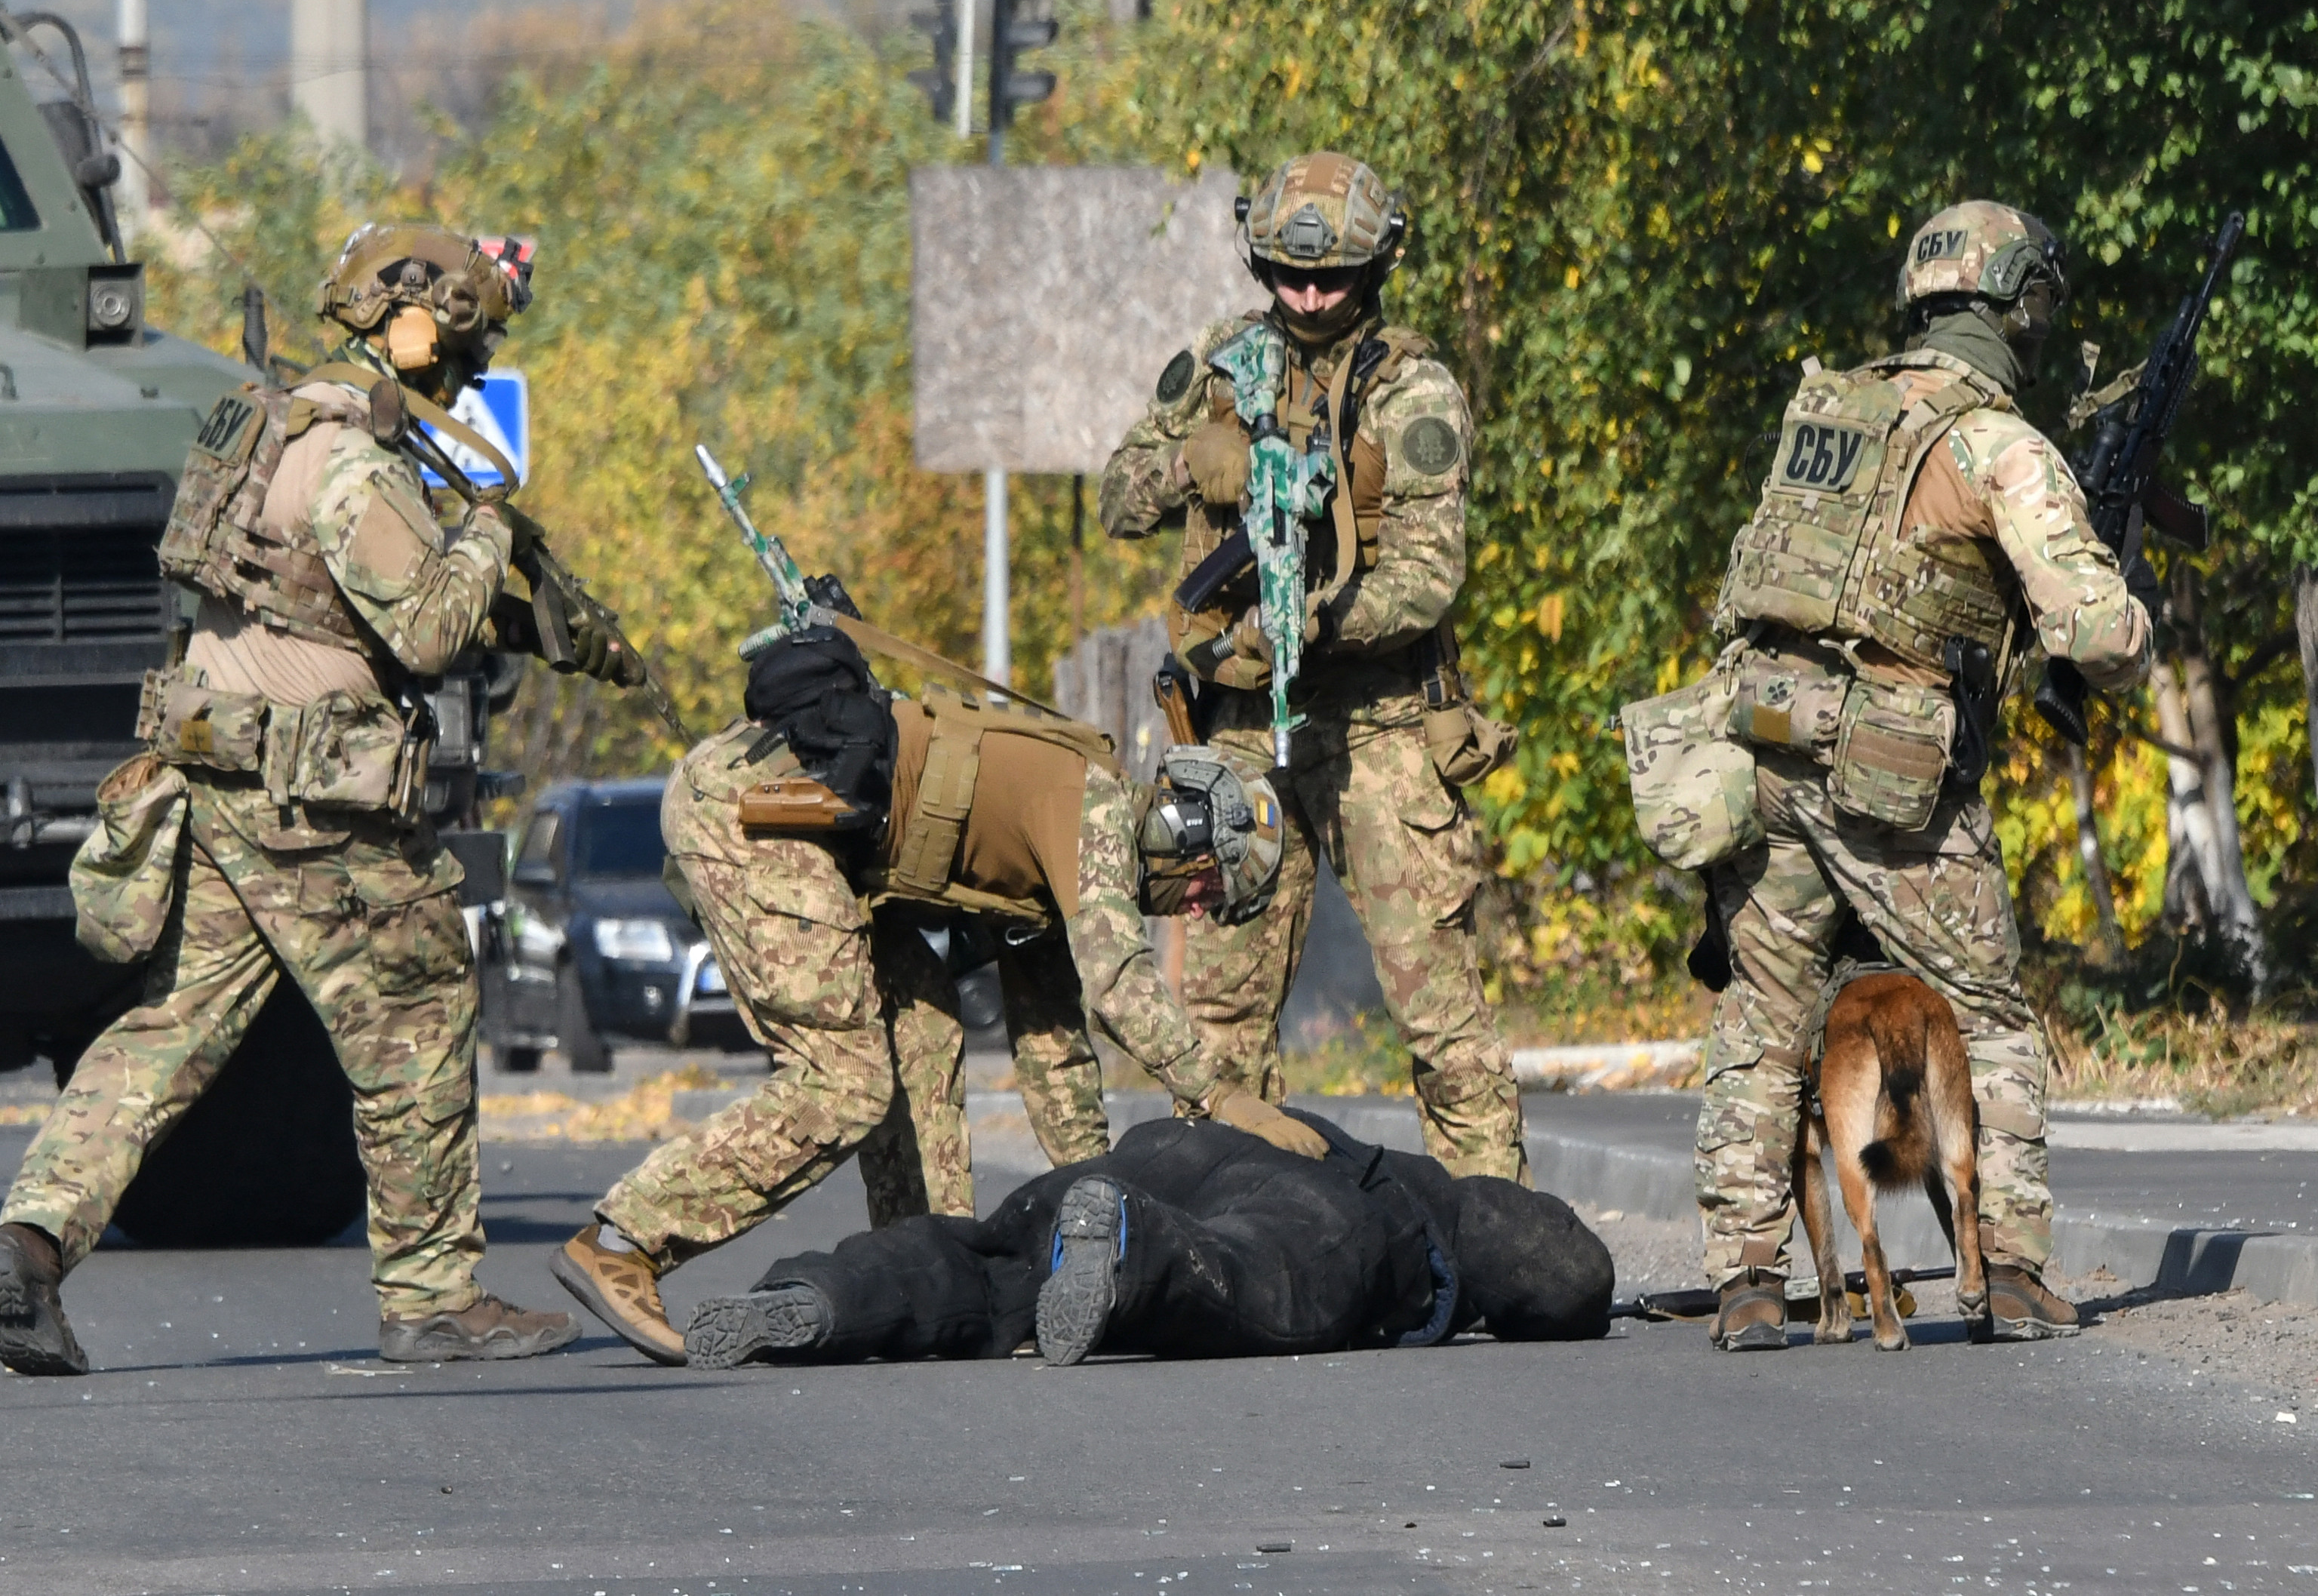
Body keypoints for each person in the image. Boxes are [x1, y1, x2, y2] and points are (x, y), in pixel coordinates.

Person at [0, 225, 619, 1375]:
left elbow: (325, 603)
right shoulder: (361, 462)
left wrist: (533, 623)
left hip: (217, 779)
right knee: (418, 1016)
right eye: (464, 350)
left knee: (172, 1025)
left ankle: (31, 1239)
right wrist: (485, 526)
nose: (467, 375)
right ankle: (432, 1300)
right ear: (414, 333)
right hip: (315, 804)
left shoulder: (269, 427)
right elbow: (425, 633)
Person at [547, 627, 1331, 1364]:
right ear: (1184, 831)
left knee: (925, 1027)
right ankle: (626, 1241)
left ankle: (924, 1277)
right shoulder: (1091, 809)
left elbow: (1056, 1056)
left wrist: (1105, 1226)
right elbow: (1117, 985)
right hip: (749, 812)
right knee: (845, 1082)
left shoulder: (1060, 865)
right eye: (1208, 889)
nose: (1194, 911)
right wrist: (1220, 1093)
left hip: (803, 836)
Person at [1686, 201, 2154, 1350]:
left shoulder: (1831, 413)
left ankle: (1747, 1282)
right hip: (1889, 777)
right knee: (1987, 1014)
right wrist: (2135, 623)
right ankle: (2010, 1269)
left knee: (1761, 1016)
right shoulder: (1999, 444)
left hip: (1760, 742)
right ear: (2022, 306)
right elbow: (2096, 633)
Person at [1099, 152, 1522, 1182]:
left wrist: (1312, 624)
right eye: (1291, 277)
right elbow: (1117, 498)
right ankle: (1239, 1221)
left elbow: (1428, 577)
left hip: (1379, 722)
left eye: (1332, 277)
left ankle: (1496, 1223)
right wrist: (1192, 466)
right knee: (1219, 1017)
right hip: (1243, 727)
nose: (1310, 297)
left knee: (1439, 1014)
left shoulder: (1410, 391)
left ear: (1374, 268)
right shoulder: (1221, 365)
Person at [681, 1110, 1614, 1369]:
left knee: (991, 1260)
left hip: (1162, 1144)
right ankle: (1129, 1240)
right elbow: (1569, 1273)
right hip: (1303, 1187)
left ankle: (825, 1296)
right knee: (1256, 1274)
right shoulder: (1436, 1201)